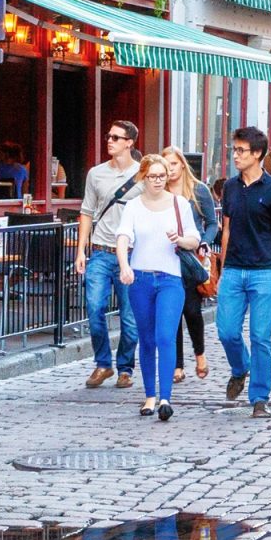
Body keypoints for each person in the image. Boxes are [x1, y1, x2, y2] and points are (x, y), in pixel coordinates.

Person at [215, 125, 271, 420]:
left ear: (257, 154)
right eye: (233, 150)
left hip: (264, 271)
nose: (235, 156)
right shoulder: (231, 188)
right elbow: (227, 230)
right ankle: (240, 368)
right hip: (234, 270)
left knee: (261, 336)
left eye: (240, 151)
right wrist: (222, 270)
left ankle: (260, 398)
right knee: (227, 332)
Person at [116, 154, 199, 421]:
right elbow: (123, 237)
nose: (157, 181)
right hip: (140, 279)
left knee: (165, 336)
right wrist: (124, 266)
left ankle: (165, 397)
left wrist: (181, 239)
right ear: (143, 177)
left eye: (162, 176)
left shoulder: (179, 203)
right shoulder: (133, 206)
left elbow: (194, 239)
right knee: (147, 338)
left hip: (170, 279)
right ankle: (149, 395)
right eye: (152, 176)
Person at [75, 119, 142, 389]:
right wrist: (81, 250)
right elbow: (87, 212)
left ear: (129, 142)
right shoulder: (96, 174)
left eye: (116, 137)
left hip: (134, 254)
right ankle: (103, 363)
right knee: (94, 307)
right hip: (101, 252)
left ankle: (125, 367)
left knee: (130, 315)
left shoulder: (143, 173)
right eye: (108, 136)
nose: (110, 141)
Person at [163, 144, 216, 383]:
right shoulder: (159, 191)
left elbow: (212, 222)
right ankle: (177, 366)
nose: (170, 169)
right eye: (166, 165)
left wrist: (205, 242)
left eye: (173, 164)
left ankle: (200, 353)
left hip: (190, 258)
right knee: (172, 313)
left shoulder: (198, 190)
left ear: (182, 164)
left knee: (192, 311)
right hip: (165, 258)